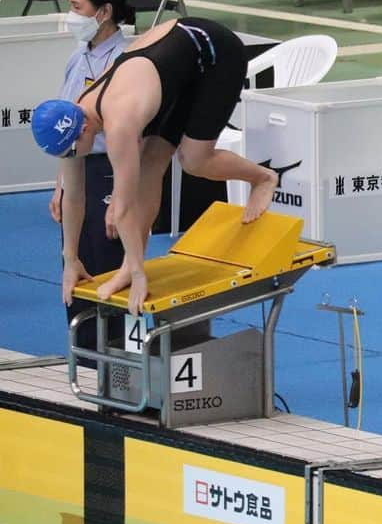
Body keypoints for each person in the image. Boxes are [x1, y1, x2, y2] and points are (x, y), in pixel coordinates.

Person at [31, 17, 279, 317]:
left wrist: (139, 276)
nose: (71, 157)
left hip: (215, 52)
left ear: (83, 130)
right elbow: (73, 196)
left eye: (70, 151)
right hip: (172, 66)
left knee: (194, 159)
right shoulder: (77, 110)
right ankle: (127, 267)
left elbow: (122, 208)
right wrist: (70, 259)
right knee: (151, 165)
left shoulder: (119, 125)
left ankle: (263, 178)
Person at [46, 0, 133, 363]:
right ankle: (82, 361)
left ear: (104, 12)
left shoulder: (126, 62)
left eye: (77, 7)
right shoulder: (76, 58)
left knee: (107, 268)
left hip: (111, 171)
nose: (71, 15)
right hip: (77, 171)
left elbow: (135, 140)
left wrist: (122, 199)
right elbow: (65, 126)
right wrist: (60, 186)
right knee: (74, 264)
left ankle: (117, 365)